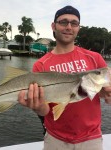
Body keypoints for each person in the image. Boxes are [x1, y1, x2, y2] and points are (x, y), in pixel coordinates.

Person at [18, 5, 111, 150]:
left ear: (78, 28)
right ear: (53, 26)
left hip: (91, 139)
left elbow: (105, 90)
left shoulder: (95, 58)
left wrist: (106, 93)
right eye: (63, 22)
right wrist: (38, 107)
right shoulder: (41, 65)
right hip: (55, 140)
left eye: (74, 23)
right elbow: (45, 111)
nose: (69, 27)